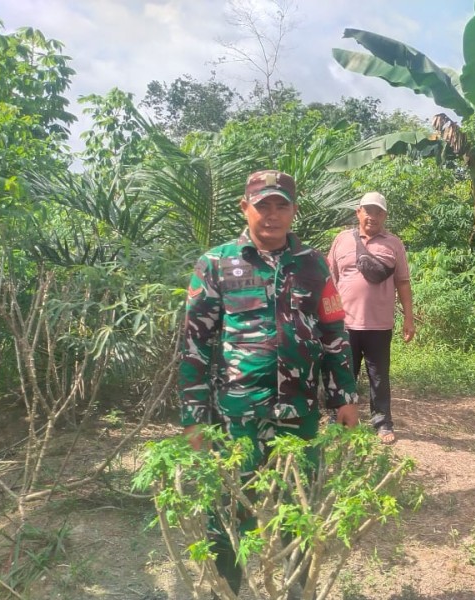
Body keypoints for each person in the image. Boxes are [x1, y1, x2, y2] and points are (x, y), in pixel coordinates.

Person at [178, 169, 359, 596]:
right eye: (263, 206)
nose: (272, 215)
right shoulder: (216, 263)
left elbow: (334, 331)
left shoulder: (313, 264)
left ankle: (298, 592)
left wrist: (345, 397)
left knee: (300, 509)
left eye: (281, 206)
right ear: (245, 208)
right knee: (227, 509)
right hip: (236, 415)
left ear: (294, 211)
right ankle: (227, 591)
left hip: (299, 413)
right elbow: (195, 345)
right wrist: (194, 417)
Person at [328, 191, 415, 445]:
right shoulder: (342, 240)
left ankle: (383, 423)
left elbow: (403, 282)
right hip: (345, 323)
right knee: (345, 375)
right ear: (358, 212)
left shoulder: (393, 243)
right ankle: (341, 421)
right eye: (368, 211)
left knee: (379, 377)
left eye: (378, 212)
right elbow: (329, 280)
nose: (372, 216)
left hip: (379, 324)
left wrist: (408, 318)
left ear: (385, 216)